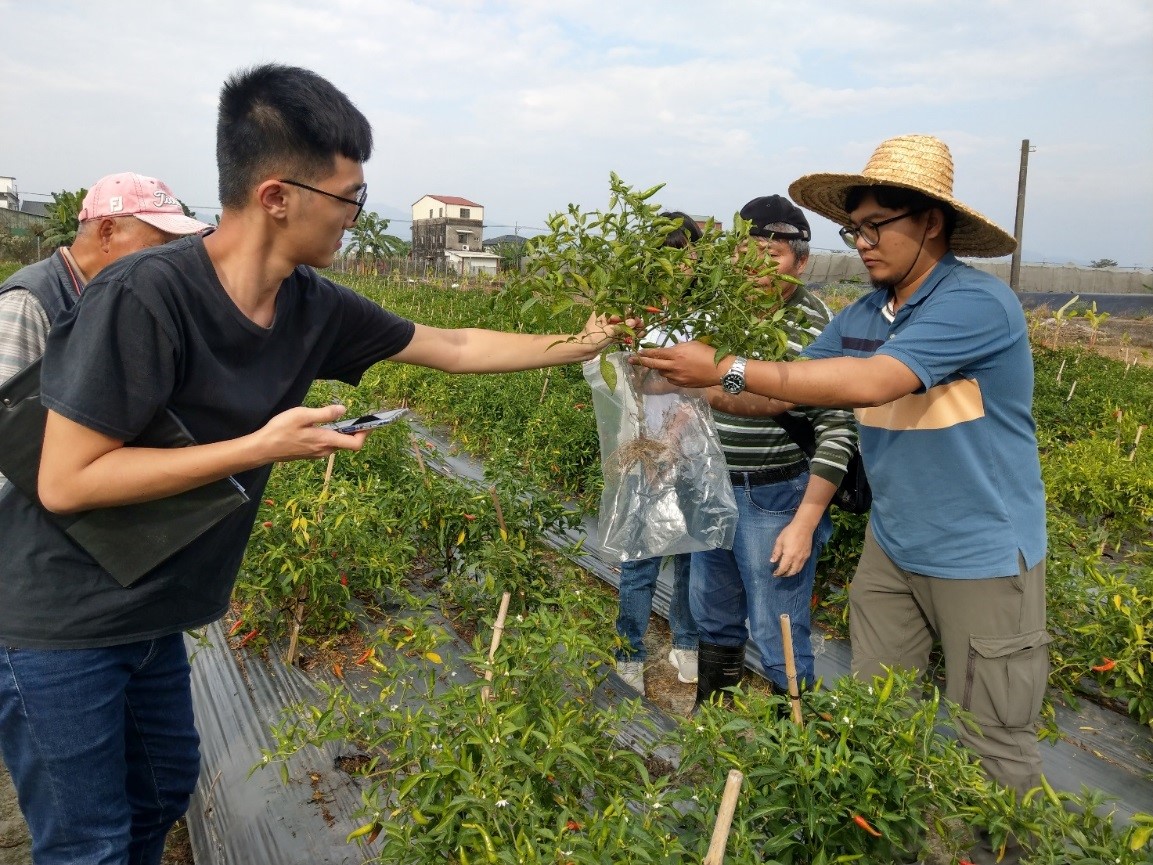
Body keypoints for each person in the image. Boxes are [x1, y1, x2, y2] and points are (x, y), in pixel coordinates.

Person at [0, 64, 622, 865]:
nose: (357, 218)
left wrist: (593, 337)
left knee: (158, 794)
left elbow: (455, 345)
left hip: (153, 609)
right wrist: (264, 444)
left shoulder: (311, 303)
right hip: (59, 618)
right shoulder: (146, 295)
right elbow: (67, 478)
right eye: (349, 197)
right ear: (276, 196)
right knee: (88, 841)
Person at [633, 135, 1047, 865]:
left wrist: (723, 363)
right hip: (893, 547)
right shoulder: (862, 314)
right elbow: (778, 388)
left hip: (981, 554)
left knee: (992, 739)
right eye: (852, 228)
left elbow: (867, 385)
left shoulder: (977, 303)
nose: (860, 242)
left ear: (930, 223)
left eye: (875, 225)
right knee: (875, 719)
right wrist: (677, 379)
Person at [690, 195, 856, 709]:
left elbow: (836, 424)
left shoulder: (816, 325)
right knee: (713, 614)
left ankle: (795, 749)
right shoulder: (718, 311)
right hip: (713, 486)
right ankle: (712, 723)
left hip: (775, 496)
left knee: (777, 625)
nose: (757, 267)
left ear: (801, 261)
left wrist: (804, 523)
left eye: (773, 255)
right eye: (747, 252)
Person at [0, 172, 211, 494]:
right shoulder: (29, 301)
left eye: (175, 246)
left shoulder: (124, 299)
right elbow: (8, 431)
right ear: (107, 232)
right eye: (159, 245)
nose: (171, 258)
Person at [614, 211, 702, 697]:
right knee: (641, 554)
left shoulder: (706, 313)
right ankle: (629, 651)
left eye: (685, 255)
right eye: (670, 256)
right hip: (643, 450)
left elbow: (702, 383)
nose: (679, 265)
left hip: (690, 452)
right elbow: (625, 380)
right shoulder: (633, 315)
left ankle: (685, 642)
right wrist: (650, 446)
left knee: (692, 551)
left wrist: (672, 439)